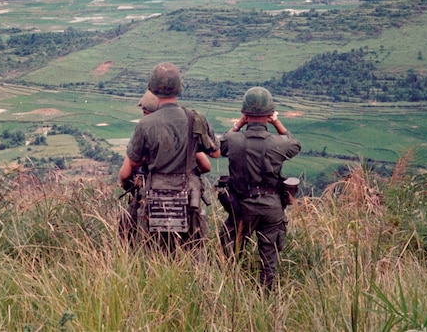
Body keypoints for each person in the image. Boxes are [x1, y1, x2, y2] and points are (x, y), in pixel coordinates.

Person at [119, 63, 220, 249]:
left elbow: (131, 163)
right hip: (188, 194)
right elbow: (215, 153)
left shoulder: (145, 124)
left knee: (154, 251)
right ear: (179, 88)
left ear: (152, 88)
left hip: (155, 192)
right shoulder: (195, 118)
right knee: (192, 251)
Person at [217, 86, 300, 288]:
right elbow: (295, 144)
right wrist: (277, 122)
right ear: (269, 114)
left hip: (241, 207)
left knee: (229, 258)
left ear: (245, 114)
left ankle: (229, 292)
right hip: (272, 207)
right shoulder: (279, 143)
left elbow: (220, 145)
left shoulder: (233, 140)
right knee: (269, 261)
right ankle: (266, 298)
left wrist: (238, 124)